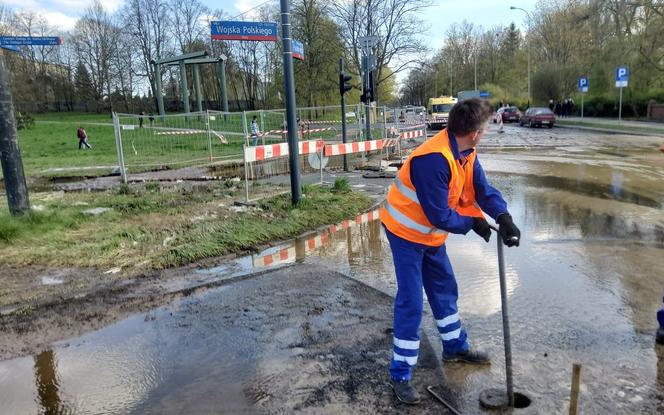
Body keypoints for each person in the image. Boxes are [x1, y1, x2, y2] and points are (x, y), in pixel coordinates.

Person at [380, 98, 521, 405]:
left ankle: (454, 346)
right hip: (405, 233)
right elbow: (439, 215)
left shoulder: (465, 152)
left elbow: (482, 189)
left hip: (429, 235)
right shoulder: (433, 159)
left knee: (445, 288)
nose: (483, 133)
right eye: (484, 128)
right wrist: (472, 223)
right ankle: (400, 373)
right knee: (412, 302)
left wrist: (503, 217)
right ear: (475, 132)